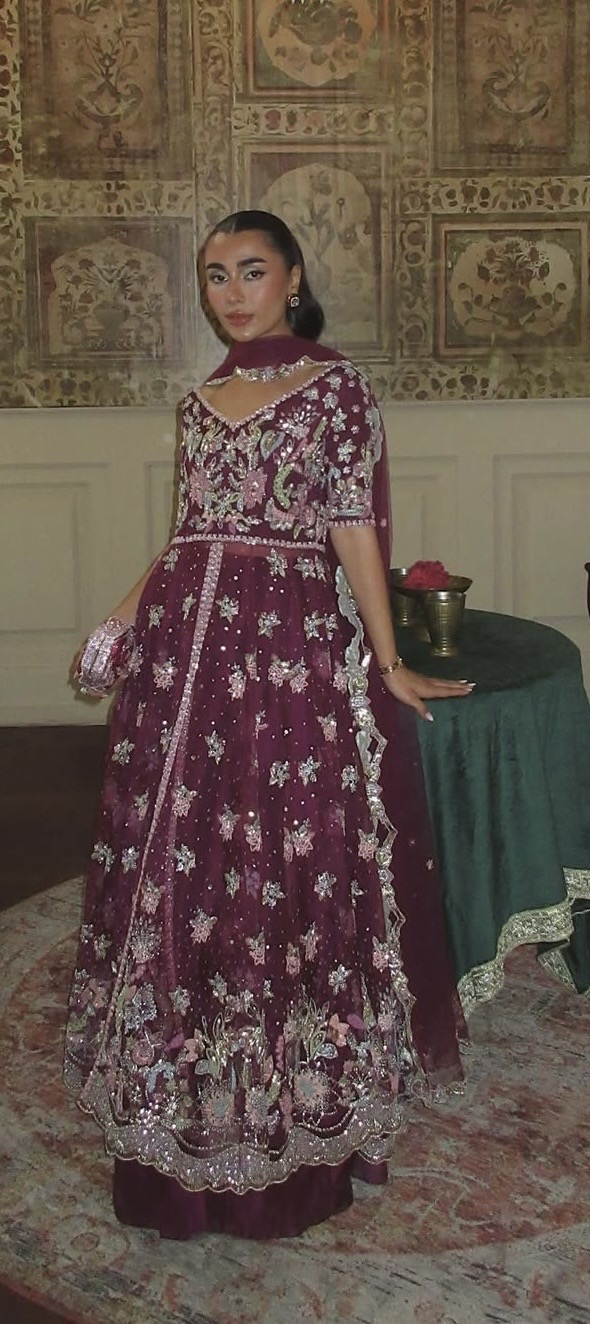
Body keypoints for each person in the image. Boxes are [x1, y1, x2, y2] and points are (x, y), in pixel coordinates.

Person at [64, 209, 472, 1240]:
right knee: (180, 872)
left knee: (279, 869)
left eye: (252, 271)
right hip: (181, 662)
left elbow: (352, 524)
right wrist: (119, 621)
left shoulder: (335, 387)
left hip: (282, 656)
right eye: (216, 276)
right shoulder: (199, 401)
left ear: (293, 277)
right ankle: (175, 1106)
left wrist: (384, 655)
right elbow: (186, 535)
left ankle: (285, 1120)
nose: (233, 293)